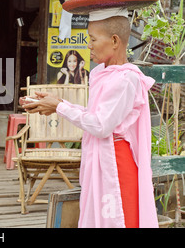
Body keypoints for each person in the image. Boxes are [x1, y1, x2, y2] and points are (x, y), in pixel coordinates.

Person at [21, 14, 158, 228]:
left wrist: (59, 107)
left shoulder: (127, 78)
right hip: (99, 156)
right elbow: (95, 114)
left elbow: (102, 126)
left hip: (116, 161)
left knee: (117, 219)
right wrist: (58, 103)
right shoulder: (100, 73)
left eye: (93, 39)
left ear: (114, 41)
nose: (89, 46)